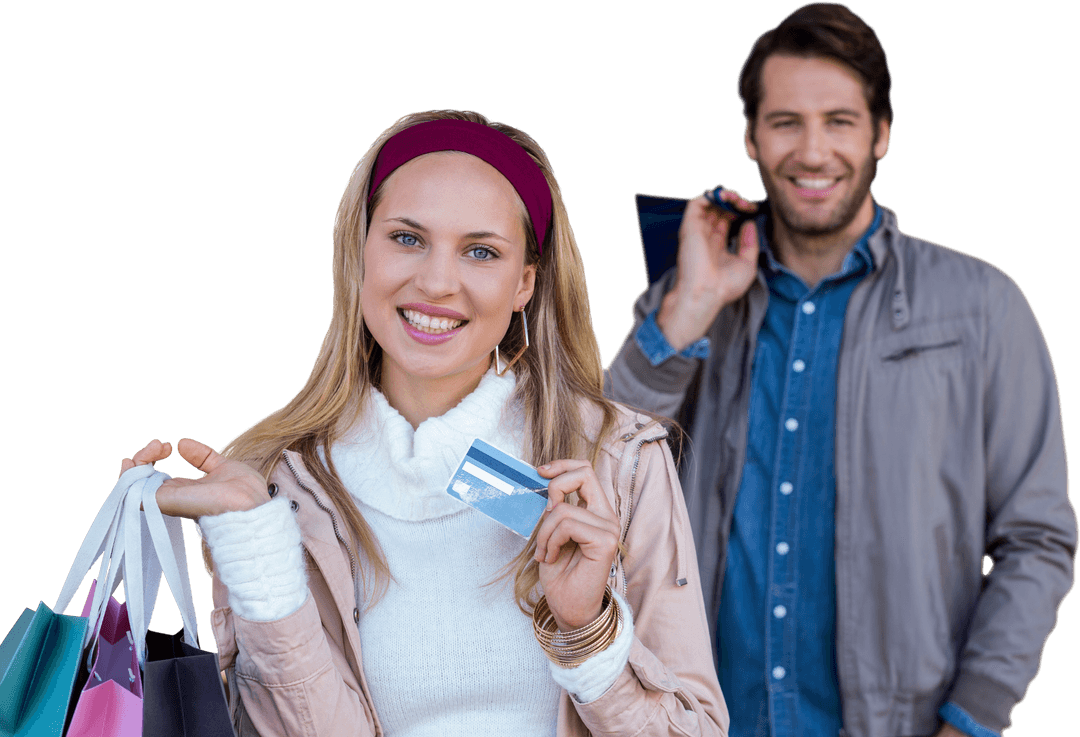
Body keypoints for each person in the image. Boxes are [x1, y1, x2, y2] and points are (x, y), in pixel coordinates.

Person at [119, 110, 727, 736]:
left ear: (525, 283)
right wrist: (258, 551)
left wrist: (588, 634)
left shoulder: (618, 459)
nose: (436, 282)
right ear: (359, 251)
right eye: (407, 238)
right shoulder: (280, 484)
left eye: (481, 251)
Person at [604, 4, 1076, 737]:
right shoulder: (687, 297)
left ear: (882, 132)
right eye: (786, 121)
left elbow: (1038, 539)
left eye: (840, 121)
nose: (812, 150)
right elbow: (597, 481)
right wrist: (687, 309)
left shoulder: (983, 308)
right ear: (752, 137)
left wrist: (975, 715)